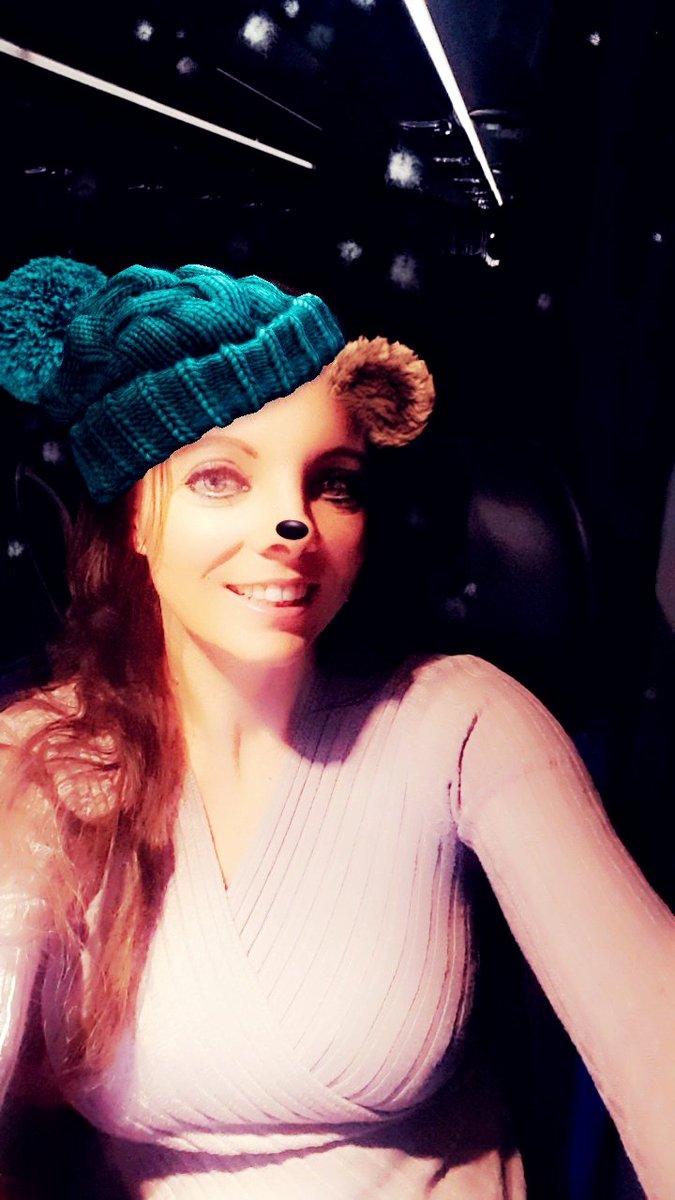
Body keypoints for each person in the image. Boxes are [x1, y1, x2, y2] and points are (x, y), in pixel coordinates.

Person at [0, 257, 673, 1200]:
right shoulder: (39, 758)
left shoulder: (462, 724)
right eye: (221, 479)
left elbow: (654, 1035)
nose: (292, 523)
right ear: (136, 520)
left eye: (335, 484)